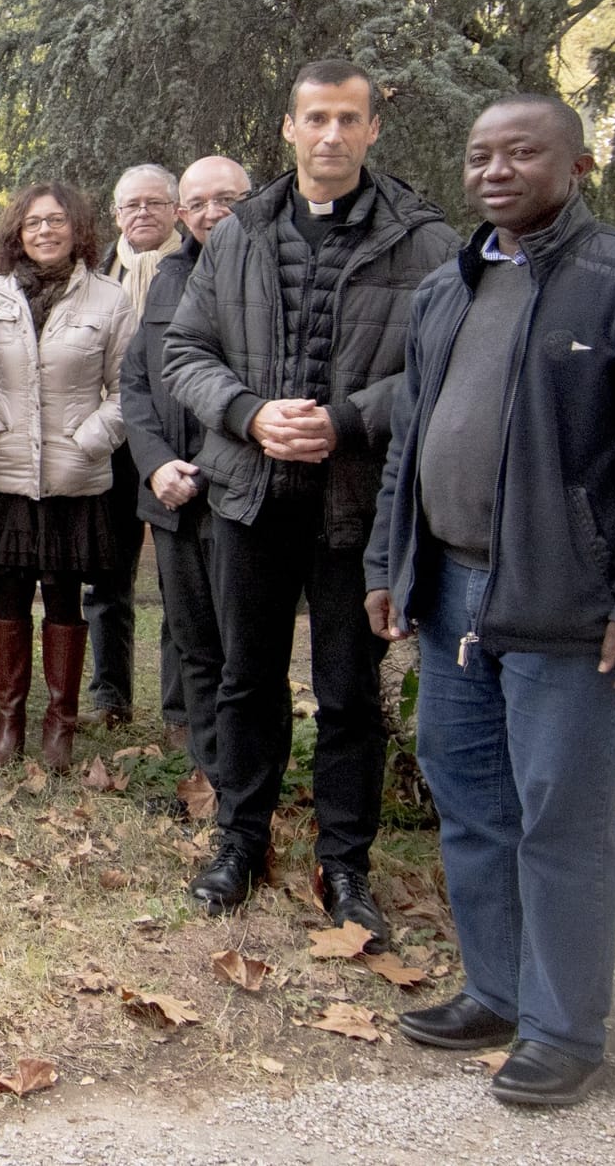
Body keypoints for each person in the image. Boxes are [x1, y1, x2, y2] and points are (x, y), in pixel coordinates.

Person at [367, 95, 615, 1105]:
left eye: (519, 152)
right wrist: (383, 567)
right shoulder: (450, 286)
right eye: (479, 153)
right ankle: (495, 987)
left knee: (559, 817)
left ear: (574, 165)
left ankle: (565, 1029)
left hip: (569, 604)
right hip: (448, 594)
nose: (493, 169)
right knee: (471, 801)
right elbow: (408, 438)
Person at [162, 59, 461, 940]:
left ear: (372, 131)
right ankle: (241, 841)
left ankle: (345, 863)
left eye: (348, 119)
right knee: (246, 680)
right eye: (315, 118)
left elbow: (440, 373)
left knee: (347, 692)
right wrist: (249, 415)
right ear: (288, 130)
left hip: (353, 504)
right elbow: (184, 355)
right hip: (250, 498)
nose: (331, 134)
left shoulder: (425, 243)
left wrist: (346, 419)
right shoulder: (238, 234)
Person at [0, 182, 133, 771]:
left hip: (73, 475)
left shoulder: (109, 300)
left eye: (56, 221)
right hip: (1, 472)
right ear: (17, 233)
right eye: (33, 223)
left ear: (76, 230)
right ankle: (10, 720)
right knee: (6, 593)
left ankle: (60, 722)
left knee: (63, 598)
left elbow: (126, 390)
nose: (45, 232)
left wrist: (90, 440)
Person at [120, 156, 253, 782]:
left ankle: (245, 780)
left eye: (224, 199)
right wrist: (153, 466)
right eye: (197, 204)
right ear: (182, 214)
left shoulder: (267, 273)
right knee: (194, 645)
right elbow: (137, 380)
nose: (210, 213)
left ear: (249, 201)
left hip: (237, 495)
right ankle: (206, 772)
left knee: (241, 650)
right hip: (169, 494)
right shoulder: (167, 278)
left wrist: (201, 466)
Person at [84, 162, 184, 730]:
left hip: (177, 443)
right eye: (131, 205)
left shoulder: (198, 267)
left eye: (154, 203)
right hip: (112, 444)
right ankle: (109, 697)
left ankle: (179, 712)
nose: (142, 213)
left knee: (180, 585)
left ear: (176, 211)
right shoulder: (97, 275)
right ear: (117, 213)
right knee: (106, 576)